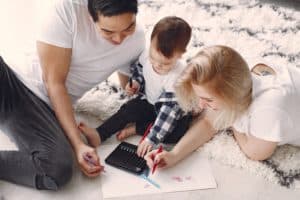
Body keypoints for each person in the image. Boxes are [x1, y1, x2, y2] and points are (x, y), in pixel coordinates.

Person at [0, 0, 145, 190]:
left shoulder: (137, 40)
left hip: (41, 111)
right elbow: (54, 83)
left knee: (57, 168)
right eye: (108, 32)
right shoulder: (66, 10)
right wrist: (77, 143)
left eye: (128, 27)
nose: (119, 39)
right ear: (91, 16)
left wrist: (134, 89)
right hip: (13, 81)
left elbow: (129, 84)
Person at [144, 45, 300, 170]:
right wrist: (174, 155)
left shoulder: (269, 110)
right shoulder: (238, 73)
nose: (201, 105)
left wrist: (232, 120)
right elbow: (209, 122)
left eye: (208, 100)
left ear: (231, 98)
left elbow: (255, 153)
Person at [79, 16, 193, 157]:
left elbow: (168, 114)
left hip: (173, 113)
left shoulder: (178, 79)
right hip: (150, 103)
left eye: (165, 64)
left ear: (181, 55)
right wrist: (136, 83)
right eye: (153, 58)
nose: (157, 65)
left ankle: (137, 129)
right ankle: (100, 133)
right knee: (129, 109)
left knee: (176, 134)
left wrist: (151, 139)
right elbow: (139, 70)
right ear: (150, 44)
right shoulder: (146, 55)